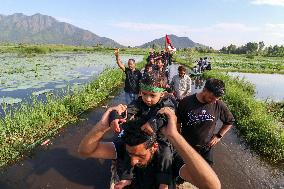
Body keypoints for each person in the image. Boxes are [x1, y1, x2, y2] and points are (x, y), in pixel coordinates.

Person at [78, 105, 221, 189]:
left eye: (140, 155)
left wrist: (175, 136)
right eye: (130, 154)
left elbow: (212, 186)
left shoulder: (171, 160)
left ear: (154, 147)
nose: (133, 161)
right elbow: (85, 151)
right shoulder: (124, 146)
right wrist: (103, 126)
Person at [110, 72, 177, 189]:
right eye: (144, 94)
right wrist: (116, 117)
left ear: (162, 94)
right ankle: (127, 177)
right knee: (129, 148)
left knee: (166, 153)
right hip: (143, 136)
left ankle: (164, 182)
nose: (147, 99)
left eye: (152, 95)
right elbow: (128, 110)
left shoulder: (167, 103)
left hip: (160, 136)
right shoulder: (139, 102)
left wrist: (153, 123)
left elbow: (164, 116)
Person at [177, 78, 235, 165]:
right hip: (187, 145)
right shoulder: (186, 102)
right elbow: (178, 122)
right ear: (204, 90)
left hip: (206, 147)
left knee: (206, 172)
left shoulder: (219, 104)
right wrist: (178, 139)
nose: (214, 101)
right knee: (182, 167)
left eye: (217, 98)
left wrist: (219, 136)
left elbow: (229, 121)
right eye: (211, 98)